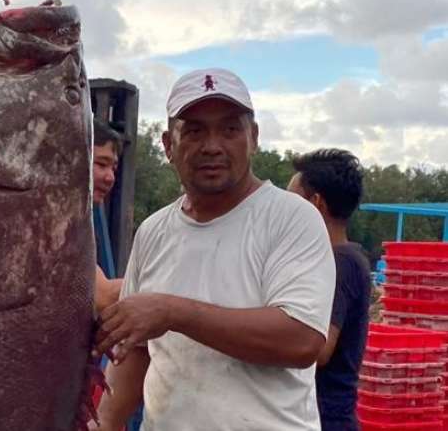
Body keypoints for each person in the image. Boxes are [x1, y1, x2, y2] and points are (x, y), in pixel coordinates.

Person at [93, 68, 336, 430]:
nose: (212, 145)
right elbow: (135, 352)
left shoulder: (291, 219)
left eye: (230, 129)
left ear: (253, 138)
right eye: (193, 130)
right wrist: (104, 424)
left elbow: (302, 340)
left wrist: (173, 312)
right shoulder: (153, 232)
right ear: (167, 145)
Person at [288, 149, 369, 431]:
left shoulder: (339, 263)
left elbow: (317, 349)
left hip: (326, 420)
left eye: (292, 202)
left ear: (316, 204)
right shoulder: (343, 258)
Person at [93, 118, 124, 312]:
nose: (110, 177)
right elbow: (103, 295)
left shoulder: (83, 222)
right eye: (101, 164)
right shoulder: (47, 223)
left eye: (113, 168)